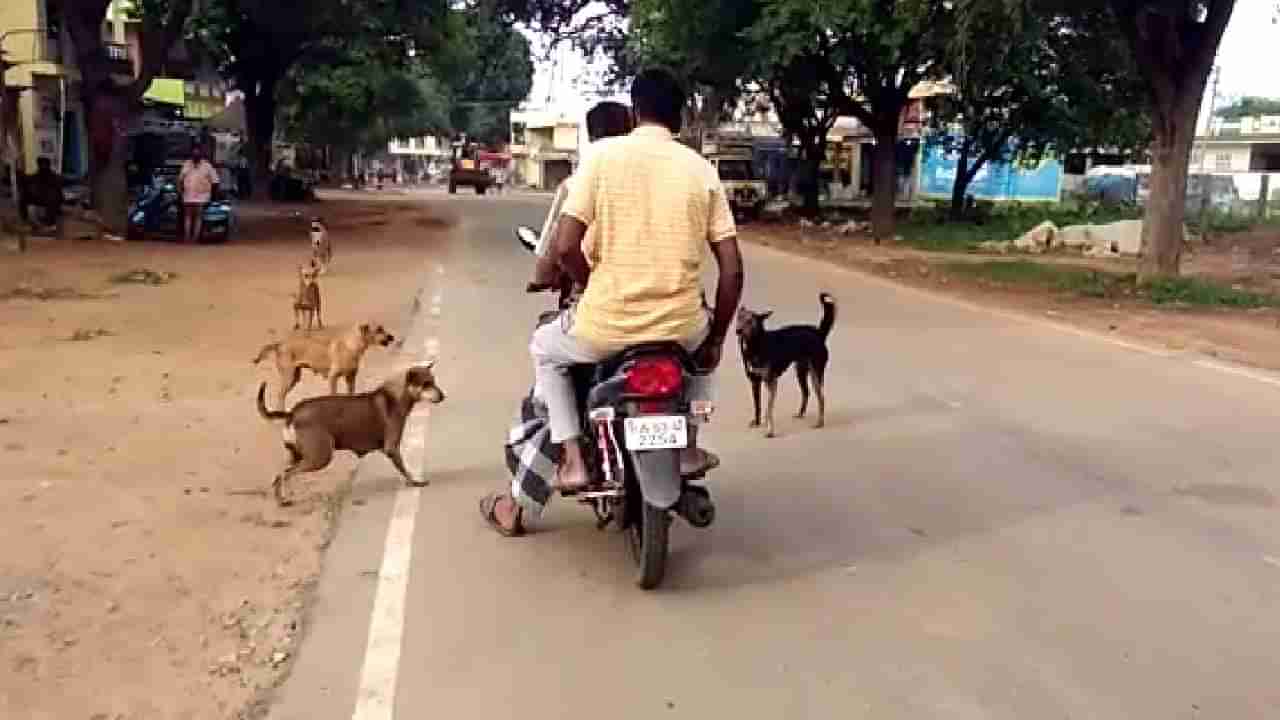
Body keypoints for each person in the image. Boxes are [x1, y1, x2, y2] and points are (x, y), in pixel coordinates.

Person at [481, 70, 745, 535]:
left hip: (605, 324)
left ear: (634, 109)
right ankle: (687, 445)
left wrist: (590, 284)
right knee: (706, 354)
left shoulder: (600, 160)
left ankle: (573, 458)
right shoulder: (701, 169)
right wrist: (718, 337)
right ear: (679, 115)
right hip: (679, 327)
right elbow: (733, 271)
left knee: (546, 350)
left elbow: (563, 248)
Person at [178, 145, 218, 243]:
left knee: (197, 217)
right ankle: (188, 237)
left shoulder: (207, 166)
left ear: (201, 155)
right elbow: (180, 180)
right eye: (194, 153)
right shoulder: (187, 164)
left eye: (197, 153)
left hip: (202, 196)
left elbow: (215, 181)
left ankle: (194, 238)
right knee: (188, 216)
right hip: (188, 195)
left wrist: (213, 195)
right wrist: (180, 191)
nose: (195, 155)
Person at [26, 157, 64, 230]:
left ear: (48, 165)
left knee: (52, 196)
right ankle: (30, 221)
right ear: (39, 165)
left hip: (51, 200)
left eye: (45, 164)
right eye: (42, 164)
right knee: (26, 195)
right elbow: (27, 179)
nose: (43, 166)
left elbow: (63, 181)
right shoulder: (35, 177)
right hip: (40, 199)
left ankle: (50, 223)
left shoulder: (54, 177)